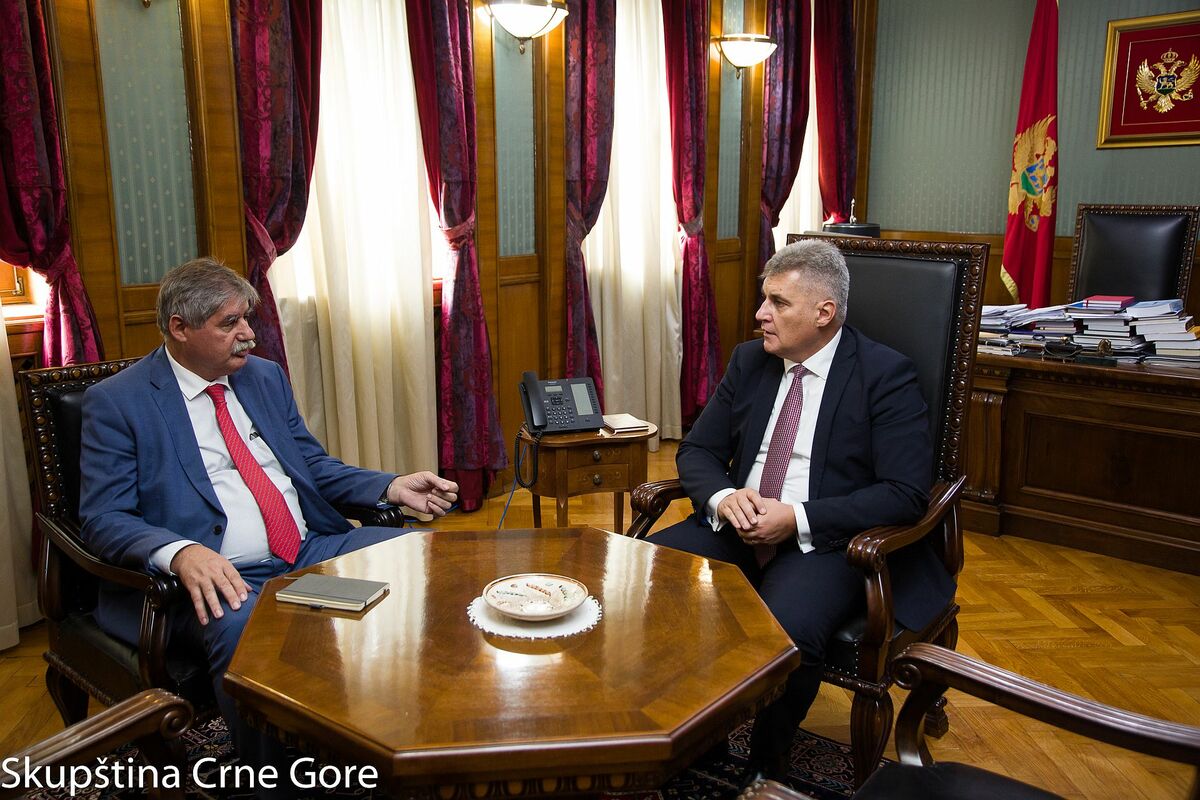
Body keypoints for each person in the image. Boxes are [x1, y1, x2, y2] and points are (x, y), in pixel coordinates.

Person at [79, 257, 458, 796]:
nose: (248, 334)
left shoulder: (263, 376)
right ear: (179, 328)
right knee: (245, 631)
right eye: (229, 323)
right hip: (221, 577)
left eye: (246, 319)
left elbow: (311, 465)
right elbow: (103, 518)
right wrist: (180, 552)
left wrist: (391, 486)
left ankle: (403, 725)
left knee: (427, 554)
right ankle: (274, 783)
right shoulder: (119, 403)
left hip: (306, 549)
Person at [650, 239, 955, 781]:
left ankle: (766, 768)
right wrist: (724, 497)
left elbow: (905, 492)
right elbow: (697, 450)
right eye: (764, 299)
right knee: (647, 578)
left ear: (823, 312)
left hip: (825, 542)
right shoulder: (750, 362)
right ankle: (692, 734)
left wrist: (797, 517)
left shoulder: (885, 375)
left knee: (787, 630)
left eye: (777, 302)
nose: (760, 314)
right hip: (736, 524)